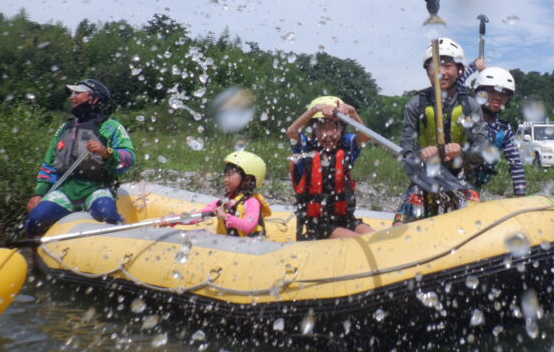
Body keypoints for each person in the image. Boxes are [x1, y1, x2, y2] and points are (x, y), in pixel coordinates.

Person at [24, 79, 135, 236]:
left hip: (96, 189)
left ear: (94, 99)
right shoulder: (64, 128)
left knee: (109, 216)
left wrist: (107, 152)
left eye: (78, 93)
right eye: (72, 93)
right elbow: (49, 165)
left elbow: (129, 158)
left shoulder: (112, 127)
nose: (72, 97)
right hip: (65, 191)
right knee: (34, 221)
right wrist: (39, 194)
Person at [395, 38, 489, 223]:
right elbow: (405, 148)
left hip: (459, 178)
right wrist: (420, 153)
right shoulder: (415, 104)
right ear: (427, 71)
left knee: (472, 228)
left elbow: (482, 150)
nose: (441, 73)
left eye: (448, 66)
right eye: (434, 66)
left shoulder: (470, 106)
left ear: (459, 70)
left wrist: (461, 151)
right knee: (400, 225)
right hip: (424, 177)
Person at [286, 96, 374, 240]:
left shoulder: (346, 147)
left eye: (335, 127)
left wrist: (353, 113)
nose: (329, 134)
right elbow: (291, 132)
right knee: (358, 242)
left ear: (342, 128)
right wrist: (314, 110)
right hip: (317, 224)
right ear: (313, 130)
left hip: (345, 218)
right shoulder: (305, 148)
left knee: (377, 238)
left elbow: (365, 137)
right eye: (322, 128)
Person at [465, 67, 526, 197]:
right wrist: (473, 66)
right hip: (449, 182)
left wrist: (521, 197)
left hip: (474, 189)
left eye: (504, 93)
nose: (498, 97)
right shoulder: (466, 119)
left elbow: (516, 167)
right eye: (492, 91)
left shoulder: (504, 130)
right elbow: (453, 84)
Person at [199, 151, 271, 237]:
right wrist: (181, 219)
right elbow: (200, 214)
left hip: (249, 248)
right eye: (225, 175)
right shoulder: (222, 202)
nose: (225, 179)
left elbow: (248, 226)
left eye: (229, 175)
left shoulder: (252, 202)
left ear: (247, 179)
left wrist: (226, 217)